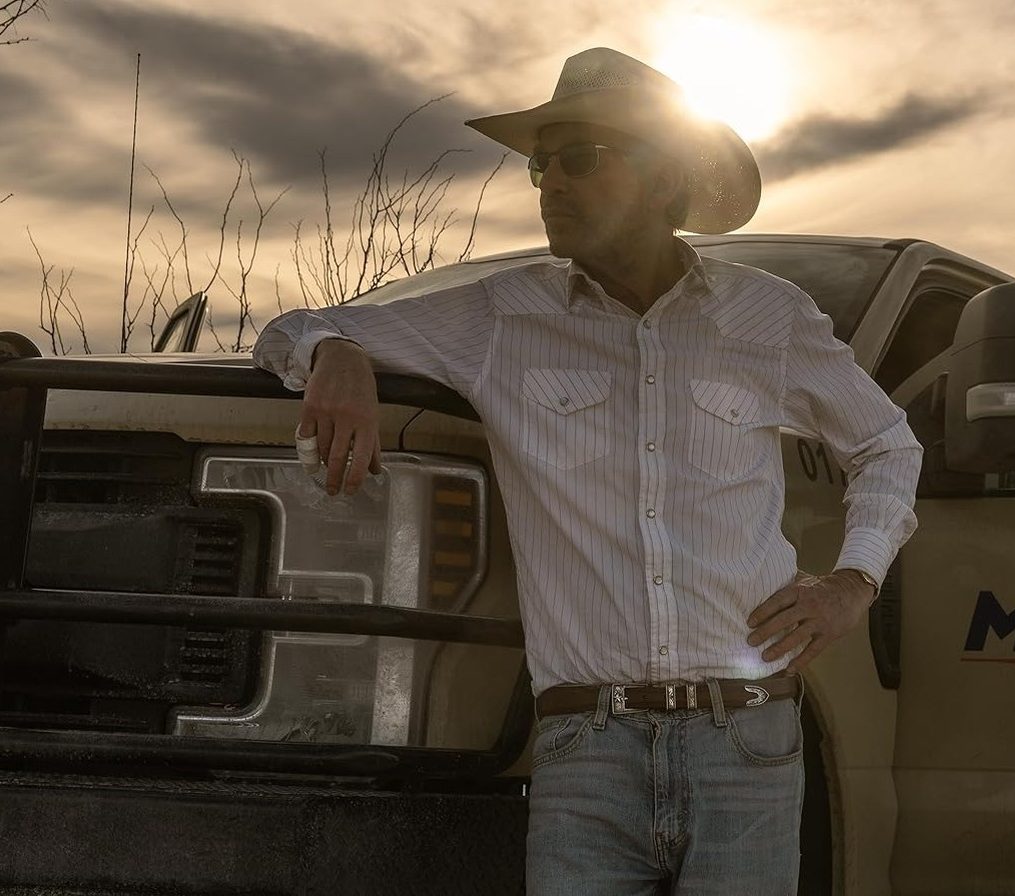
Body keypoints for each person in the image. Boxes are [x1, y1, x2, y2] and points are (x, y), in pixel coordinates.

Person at [252, 47, 922, 895]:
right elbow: (290, 328)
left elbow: (887, 444)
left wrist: (854, 582)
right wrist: (339, 352)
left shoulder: (769, 316)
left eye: (579, 158)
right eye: (541, 165)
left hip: (748, 739)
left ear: (663, 176)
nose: (549, 184)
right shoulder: (501, 316)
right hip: (585, 749)